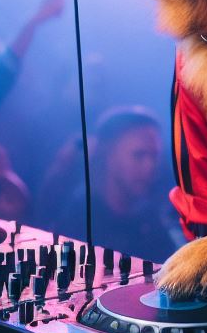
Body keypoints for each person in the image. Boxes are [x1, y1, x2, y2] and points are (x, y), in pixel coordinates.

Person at [50, 107, 182, 264]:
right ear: (107, 152)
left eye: (154, 156)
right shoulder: (79, 218)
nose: (150, 166)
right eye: (139, 155)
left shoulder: (152, 221)